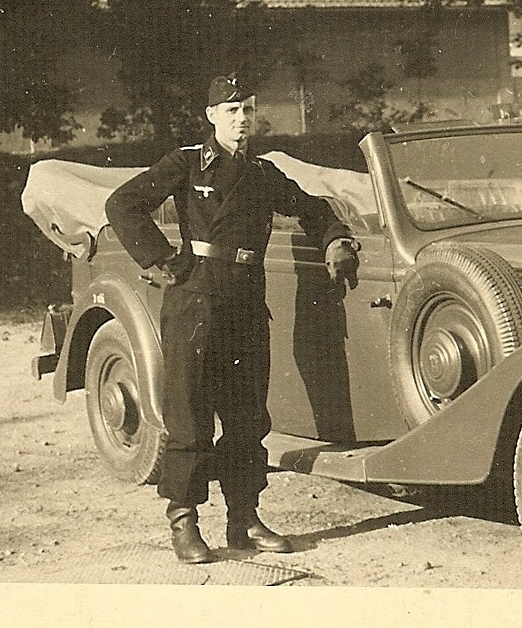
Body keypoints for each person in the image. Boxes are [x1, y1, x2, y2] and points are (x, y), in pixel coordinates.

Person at [105, 74, 359, 564]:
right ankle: (184, 521)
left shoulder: (263, 175)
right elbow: (122, 204)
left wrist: (333, 238)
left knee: (246, 419)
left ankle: (244, 519)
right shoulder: (186, 163)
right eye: (230, 110)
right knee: (190, 417)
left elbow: (311, 208)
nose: (242, 119)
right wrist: (165, 259)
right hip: (196, 301)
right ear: (211, 117)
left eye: (247, 109)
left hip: (246, 301)